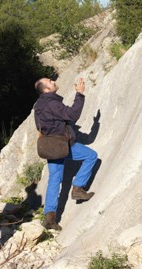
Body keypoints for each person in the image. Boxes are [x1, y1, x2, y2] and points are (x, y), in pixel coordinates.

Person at [33, 75, 98, 231]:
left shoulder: (38, 105)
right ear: (47, 89)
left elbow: (39, 126)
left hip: (49, 146)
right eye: (50, 82)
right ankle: (78, 188)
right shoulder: (52, 103)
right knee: (91, 156)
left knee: (54, 179)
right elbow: (72, 114)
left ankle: (49, 217)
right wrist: (80, 94)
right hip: (62, 144)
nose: (53, 81)